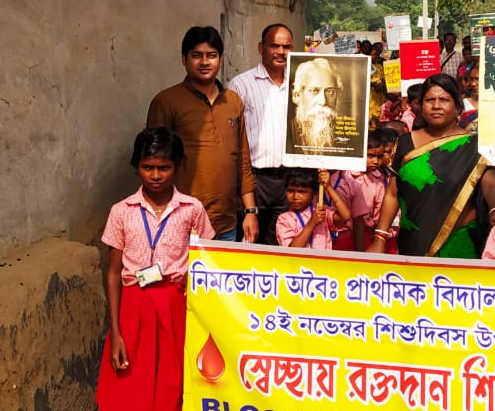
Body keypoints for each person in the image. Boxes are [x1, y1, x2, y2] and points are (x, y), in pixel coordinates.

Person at [96, 128, 216, 411]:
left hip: (176, 309)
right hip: (134, 311)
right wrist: (116, 332)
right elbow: (113, 273)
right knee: (140, 407)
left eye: (164, 167)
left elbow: (208, 261)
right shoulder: (121, 211)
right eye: (148, 167)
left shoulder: (192, 210)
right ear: (136, 167)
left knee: (173, 404)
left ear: (176, 167)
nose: (156, 175)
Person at [365, 74, 495, 258]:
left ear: (457, 107)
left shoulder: (474, 146)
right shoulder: (406, 142)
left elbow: (491, 183)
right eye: (430, 100)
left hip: (459, 244)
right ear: (421, 106)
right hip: (413, 241)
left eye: (444, 100)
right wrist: (380, 238)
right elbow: (393, 192)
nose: (436, 106)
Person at [147, 27, 258, 242]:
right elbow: (154, 164)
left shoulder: (233, 101)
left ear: (220, 59)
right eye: (197, 55)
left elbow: (243, 160)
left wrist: (250, 211)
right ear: (184, 59)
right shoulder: (166, 102)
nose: (205, 62)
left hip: (226, 222)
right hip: (181, 221)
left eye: (211, 55)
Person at [229, 23, 295, 244]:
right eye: (274, 46)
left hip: (290, 180)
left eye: (286, 47)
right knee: (250, 243)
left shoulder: (300, 83)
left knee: (282, 244)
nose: (281, 52)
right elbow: (232, 138)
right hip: (255, 180)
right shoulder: (241, 85)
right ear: (261, 48)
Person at [275, 169, 352, 250]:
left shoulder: (320, 212)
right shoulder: (284, 219)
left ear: (314, 193)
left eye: (302, 192)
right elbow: (292, 250)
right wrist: (312, 223)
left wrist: (328, 186)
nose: (295, 196)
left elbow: (346, 216)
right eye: (290, 191)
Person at [289, 57, 345, 152]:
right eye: (314, 91)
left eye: (330, 92)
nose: (323, 101)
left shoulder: (346, 136)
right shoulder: (285, 132)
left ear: (338, 96)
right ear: (296, 95)